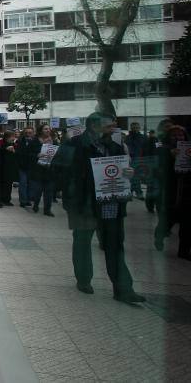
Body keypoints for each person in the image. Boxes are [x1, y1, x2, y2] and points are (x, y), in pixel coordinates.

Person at [53, 112, 145, 303]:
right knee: (83, 241)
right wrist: (71, 188)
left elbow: (123, 171)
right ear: (95, 126)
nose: (113, 129)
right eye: (109, 126)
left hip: (109, 202)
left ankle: (123, 289)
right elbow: (58, 168)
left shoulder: (115, 146)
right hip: (84, 202)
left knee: (114, 243)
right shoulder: (75, 144)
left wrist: (129, 173)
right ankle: (84, 279)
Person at [154, 125, 191, 258]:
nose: (177, 138)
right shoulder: (162, 150)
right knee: (169, 221)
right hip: (171, 193)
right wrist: (170, 156)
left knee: (187, 224)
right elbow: (157, 169)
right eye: (174, 135)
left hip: (186, 192)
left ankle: (184, 251)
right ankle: (159, 236)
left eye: (180, 135)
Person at [30, 124, 56, 216]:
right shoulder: (35, 141)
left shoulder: (54, 141)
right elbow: (29, 153)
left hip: (50, 169)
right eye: (45, 129)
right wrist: (37, 155)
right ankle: (36, 205)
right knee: (38, 190)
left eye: (49, 129)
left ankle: (47, 209)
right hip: (38, 169)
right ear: (41, 130)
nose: (48, 130)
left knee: (49, 191)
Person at [16, 126, 38, 208]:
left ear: (33, 133)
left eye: (30, 133)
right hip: (22, 166)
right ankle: (23, 200)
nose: (28, 134)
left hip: (32, 166)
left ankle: (28, 199)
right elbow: (18, 153)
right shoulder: (20, 141)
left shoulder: (36, 142)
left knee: (31, 184)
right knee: (23, 183)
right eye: (26, 133)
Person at [124, 122, 146, 200]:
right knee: (133, 177)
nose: (135, 129)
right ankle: (138, 193)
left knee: (136, 177)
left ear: (139, 128)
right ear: (131, 128)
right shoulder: (128, 137)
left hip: (140, 159)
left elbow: (145, 148)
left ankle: (132, 192)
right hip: (131, 160)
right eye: (134, 128)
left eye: (136, 127)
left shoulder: (143, 137)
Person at [0, 130, 17, 208]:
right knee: (1, 184)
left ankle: (7, 200)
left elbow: (17, 155)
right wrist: (5, 149)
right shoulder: (0, 143)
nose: (13, 138)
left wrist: (14, 151)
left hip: (10, 167)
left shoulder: (14, 144)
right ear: (7, 137)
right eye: (12, 137)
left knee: (9, 185)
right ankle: (0, 201)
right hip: (1, 167)